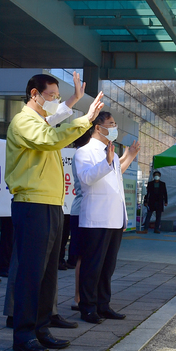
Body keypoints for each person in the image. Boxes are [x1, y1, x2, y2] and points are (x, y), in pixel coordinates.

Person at [5, 72, 104, 351]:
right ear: (34, 94)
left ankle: (41, 328)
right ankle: (23, 335)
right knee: (31, 272)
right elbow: (50, 138)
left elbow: (55, 121)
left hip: (50, 203)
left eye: (57, 97)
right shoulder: (24, 121)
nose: (55, 102)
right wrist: (86, 119)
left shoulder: (39, 119)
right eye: (51, 96)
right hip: (32, 203)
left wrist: (74, 101)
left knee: (47, 273)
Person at [75, 111, 140, 324]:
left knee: (107, 266)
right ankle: (88, 307)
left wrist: (128, 155)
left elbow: (116, 178)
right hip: (96, 218)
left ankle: (103, 305)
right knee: (92, 265)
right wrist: (107, 162)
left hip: (113, 218)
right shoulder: (85, 151)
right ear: (98, 127)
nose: (114, 128)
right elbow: (86, 178)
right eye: (111, 124)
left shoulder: (108, 150)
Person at [68, 127, 94, 312]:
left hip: (95, 212)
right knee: (82, 257)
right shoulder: (81, 154)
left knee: (92, 257)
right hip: (81, 211)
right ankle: (78, 297)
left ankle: (90, 296)